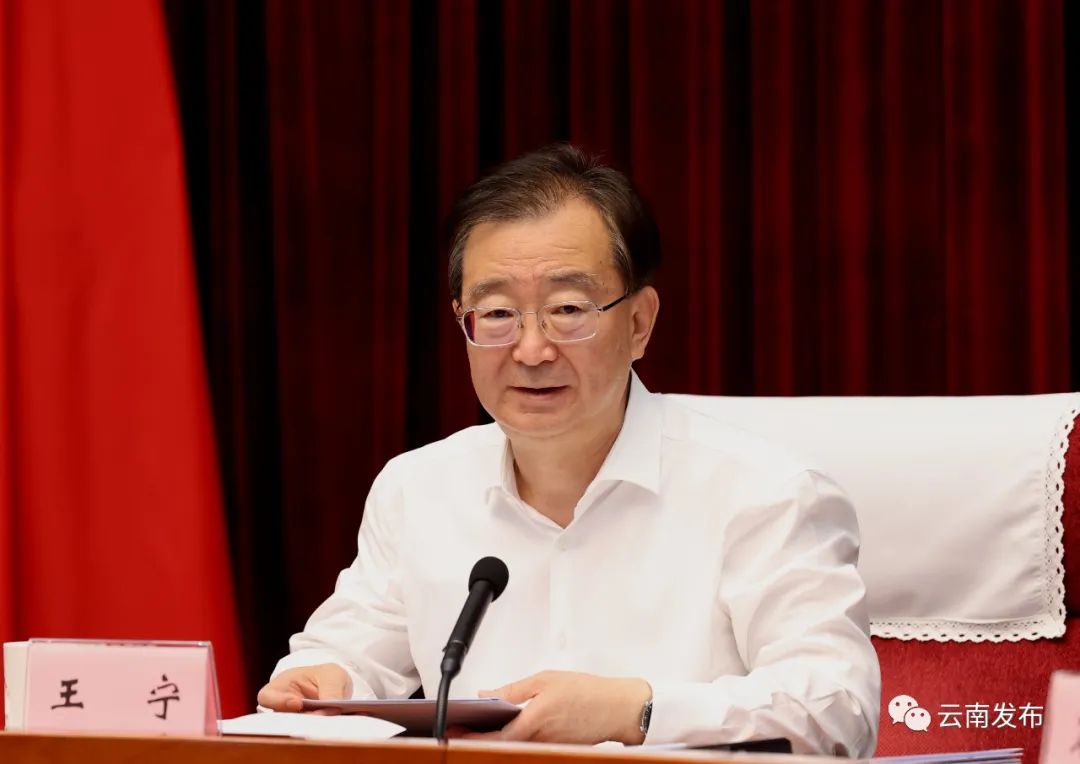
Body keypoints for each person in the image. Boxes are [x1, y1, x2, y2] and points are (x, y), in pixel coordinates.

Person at [258, 144, 881, 756]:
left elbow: (838, 709)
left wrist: (636, 712)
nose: (531, 350)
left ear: (639, 323)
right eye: (496, 314)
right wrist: (320, 681)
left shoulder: (763, 491)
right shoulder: (417, 489)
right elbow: (344, 655)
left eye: (567, 309)